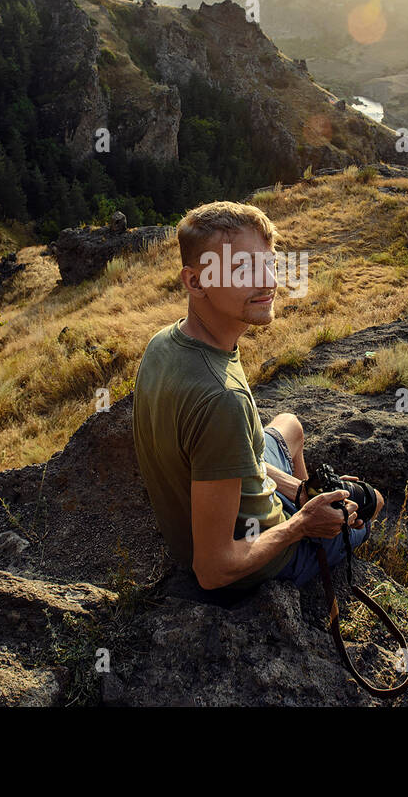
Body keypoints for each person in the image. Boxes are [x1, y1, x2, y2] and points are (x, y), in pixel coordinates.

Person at [132, 200, 384, 592]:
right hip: (249, 563)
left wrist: (296, 491)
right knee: (371, 504)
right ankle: (314, 537)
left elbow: (220, 454)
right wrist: (299, 528)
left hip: (221, 499)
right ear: (195, 281)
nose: (268, 282)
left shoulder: (164, 343)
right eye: (242, 269)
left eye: (269, 264)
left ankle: (304, 500)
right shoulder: (222, 399)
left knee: (290, 426)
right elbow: (213, 570)